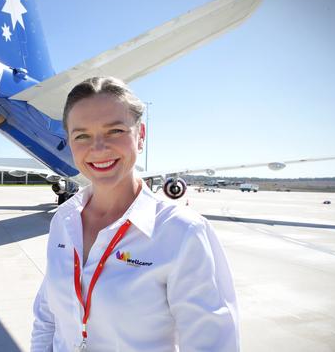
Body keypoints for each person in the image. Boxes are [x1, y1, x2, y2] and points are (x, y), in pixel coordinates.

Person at [31, 77, 238, 352]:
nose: (98, 147)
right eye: (82, 135)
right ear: (70, 143)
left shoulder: (181, 232)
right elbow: (47, 317)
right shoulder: (64, 220)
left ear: (140, 137)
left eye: (115, 131)